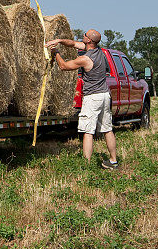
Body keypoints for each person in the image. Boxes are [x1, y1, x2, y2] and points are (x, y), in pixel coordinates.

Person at [45, 29, 119, 170]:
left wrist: (56, 53)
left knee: (88, 131)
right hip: (104, 95)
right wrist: (59, 41)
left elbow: (64, 66)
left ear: (89, 40)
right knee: (107, 129)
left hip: (93, 98)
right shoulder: (100, 52)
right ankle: (113, 161)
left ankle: (86, 165)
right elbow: (73, 44)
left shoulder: (86, 58)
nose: (83, 36)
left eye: (85, 35)